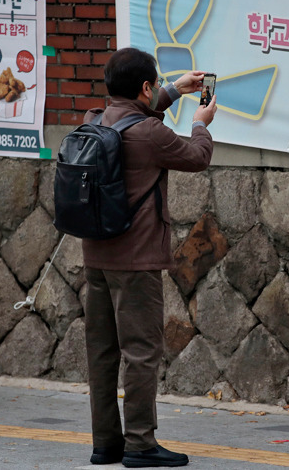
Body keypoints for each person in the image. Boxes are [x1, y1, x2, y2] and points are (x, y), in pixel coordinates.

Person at [82, 47, 217, 467]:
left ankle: (106, 444)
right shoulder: (150, 135)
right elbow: (197, 158)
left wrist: (174, 90)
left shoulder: (94, 121)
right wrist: (199, 124)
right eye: (155, 83)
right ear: (143, 86)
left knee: (102, 352)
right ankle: (140, 444)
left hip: (96, 254)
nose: (158, 88)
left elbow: (134, 113)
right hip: (137, 259)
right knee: (141, 352)